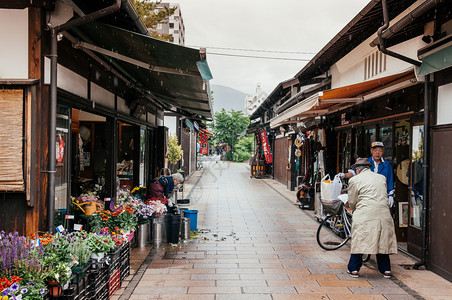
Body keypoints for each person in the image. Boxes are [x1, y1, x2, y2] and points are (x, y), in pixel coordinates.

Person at [346, 158, 397, 278]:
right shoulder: (381, 178)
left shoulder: (354, 180)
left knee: (360, 239)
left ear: (357, 170)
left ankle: (354, 269)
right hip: (383, 214)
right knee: (382, 241)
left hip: (365, 213)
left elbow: (352, 200)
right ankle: (386, 270)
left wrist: (353, 208)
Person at [339, 141, 395, 206]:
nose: (377, 153)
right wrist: (343, 175)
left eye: (380, 150)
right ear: (371, 151)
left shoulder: (386, 164)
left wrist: (390, 195)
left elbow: (390, 180)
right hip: (367, 194)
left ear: (383, 152)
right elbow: (354, 172)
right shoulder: (366, 162)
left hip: (381, 194)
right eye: (375, 150)